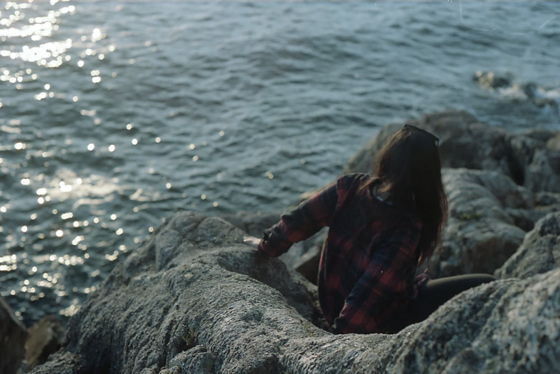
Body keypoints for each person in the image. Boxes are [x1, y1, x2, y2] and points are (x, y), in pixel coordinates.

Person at [243, 125, 495, 334]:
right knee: (488, 286)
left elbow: (300, 219)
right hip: (376, 322)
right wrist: (335, 342)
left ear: (388, 158)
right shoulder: (404, 228)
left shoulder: (350, 186)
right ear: (429, 177)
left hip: (332, 305)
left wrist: (267, 244)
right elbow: (363, 303)